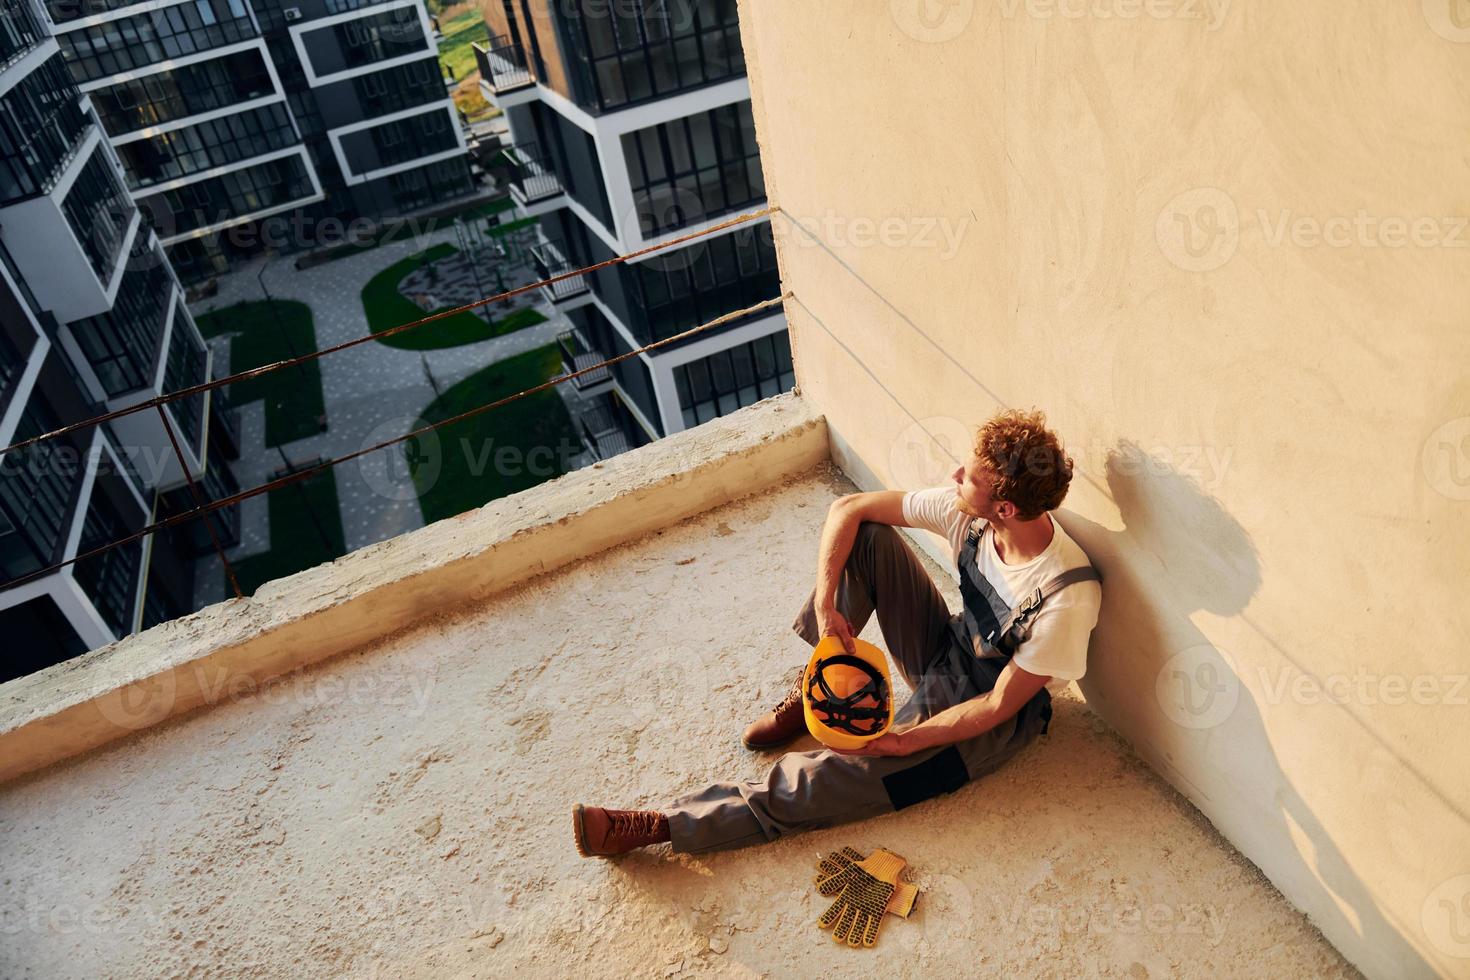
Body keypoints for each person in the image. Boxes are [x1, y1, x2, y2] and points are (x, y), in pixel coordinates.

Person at [571, 408, 1102, 858]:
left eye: (970, 477)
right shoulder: (974, 514)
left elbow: (997, 709)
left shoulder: (1066, 597)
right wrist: (827, 607)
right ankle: (819, 686)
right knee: (870, 537)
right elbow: (849, 508)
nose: (955, 472)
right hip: (950, 645)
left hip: (986, 716)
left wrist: (902, 741)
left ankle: (663, 825)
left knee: (845, 771)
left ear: (1005, 508)